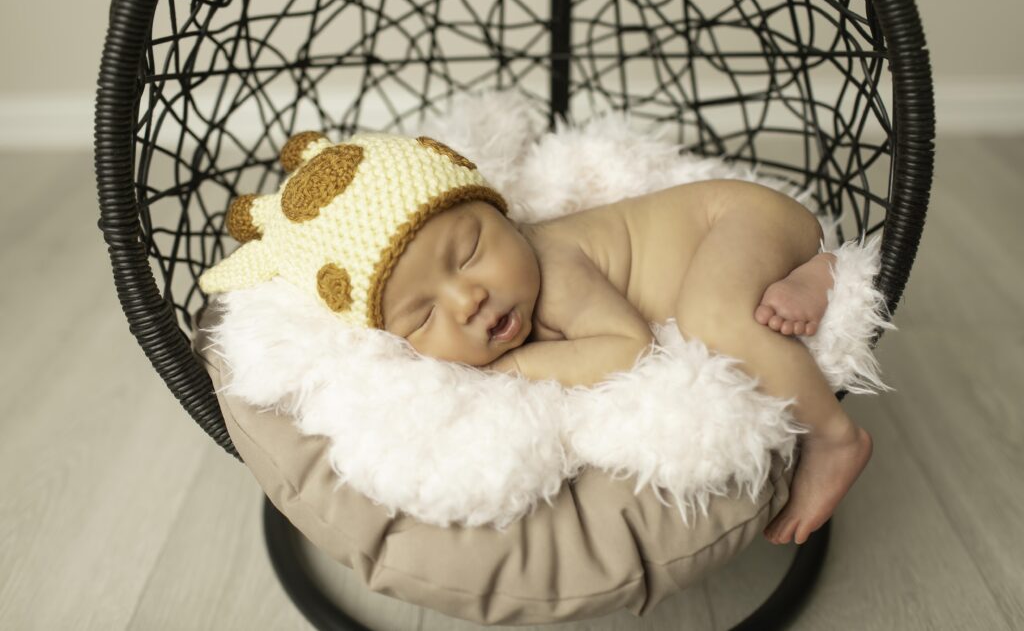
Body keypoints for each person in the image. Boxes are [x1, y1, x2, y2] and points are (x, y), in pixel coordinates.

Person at [200, 131, 873, 547]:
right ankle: (813, 274)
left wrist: (512, 365)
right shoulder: (489, 291)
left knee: (715, 320)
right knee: (723, 305)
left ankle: (836, 438)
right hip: (749, 242)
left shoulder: (552, 263)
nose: (469, 298)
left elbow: (625, 348)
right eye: (423, 316)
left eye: (468, 252)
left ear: (504, 216)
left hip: (739, 217)